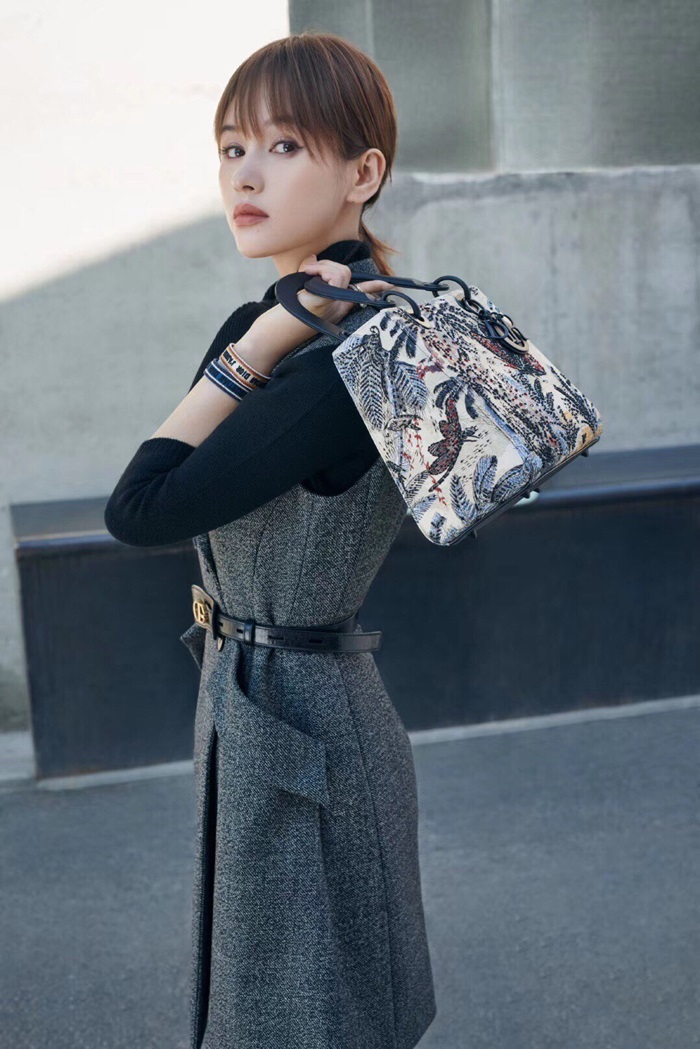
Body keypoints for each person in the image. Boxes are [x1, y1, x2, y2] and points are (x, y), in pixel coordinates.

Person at [104, 30, 437, 1049]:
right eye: (231, 147)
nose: (244, 175)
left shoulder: (338, 355)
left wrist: (255, 345)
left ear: (362, 174)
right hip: (262, 705)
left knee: (308, 1019)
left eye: (284, 146)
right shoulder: (283, 325)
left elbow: (140, 508)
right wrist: (259, 335)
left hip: (303, 726)